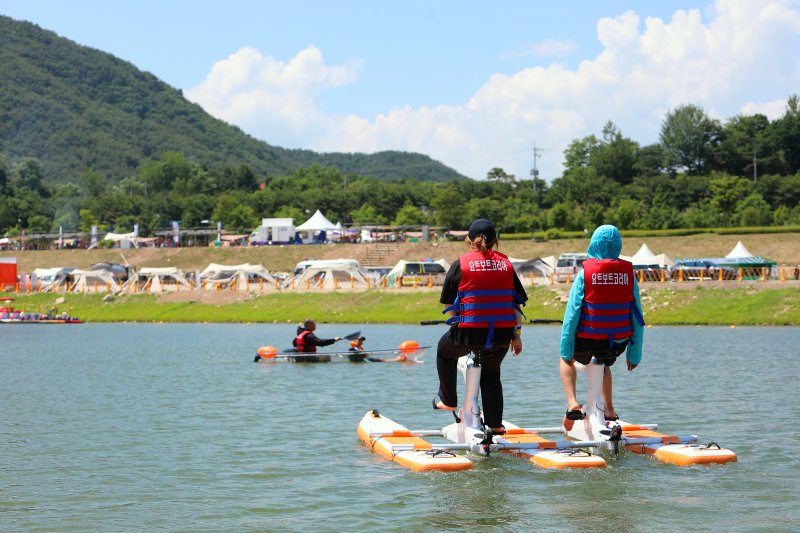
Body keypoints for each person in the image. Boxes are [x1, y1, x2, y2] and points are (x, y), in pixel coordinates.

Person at [433, 219, 527, 433]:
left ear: (469, 241)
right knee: (491, 374)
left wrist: (458, 322)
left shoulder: (461, 263)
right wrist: (517, 336)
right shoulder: (507, 264)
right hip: (502, 335)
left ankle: (448, 400)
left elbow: (449, 303)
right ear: (496, 241)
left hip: (468, 334)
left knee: (444, 352)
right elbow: (517, 303)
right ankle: (495, 425)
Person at [559, 225, 645, 427]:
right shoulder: (629, 275)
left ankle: (572, 403)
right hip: (616, 344)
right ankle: (610, 409)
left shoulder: (584, 274)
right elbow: (638, 318)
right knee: (604, 363)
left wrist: (567, 350)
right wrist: (634, 354)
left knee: (565, 360)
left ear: (593, 244)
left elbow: (572, 315)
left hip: (587, 340)